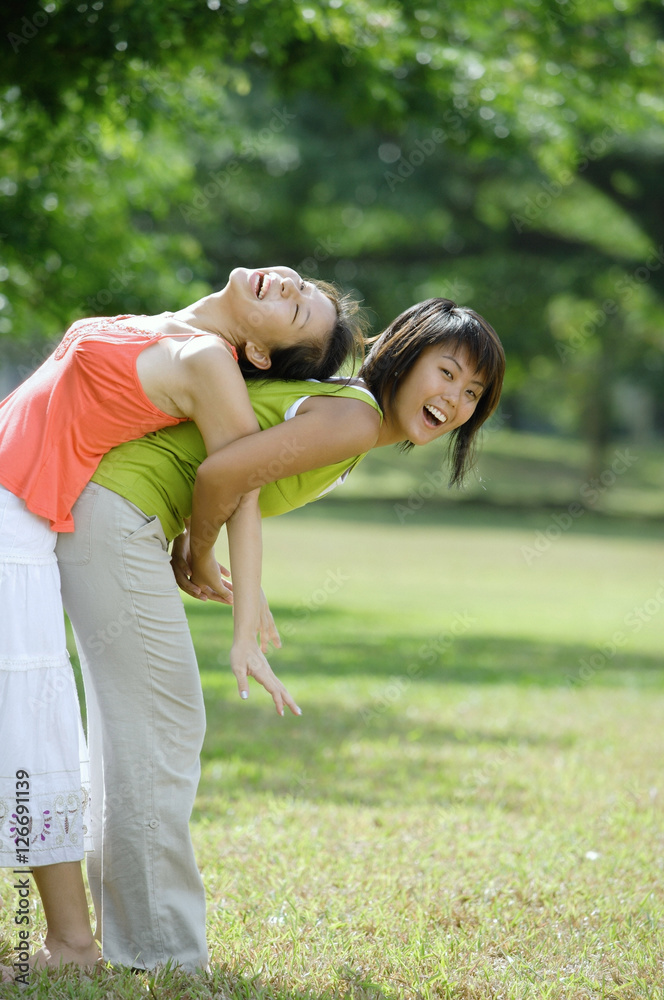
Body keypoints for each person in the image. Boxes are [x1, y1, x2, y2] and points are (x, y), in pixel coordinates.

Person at [51, 297, 505, 973]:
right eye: (446, 372)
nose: (455, 399)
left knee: (138, 734)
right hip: (115, 515)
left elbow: (238, 482)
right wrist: (199, 551)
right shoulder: (354, 418)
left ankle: (126, 943)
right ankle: (162, 953)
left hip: (113, 516)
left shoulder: (349, 416)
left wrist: (231, 592)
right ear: (404, 356)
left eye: (472, 393)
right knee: (161, 728)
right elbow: (222, 475)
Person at [0, 265, 362, 981]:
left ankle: (71, 946)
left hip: (15, 521)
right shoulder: (165, 325)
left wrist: (245, 617)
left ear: (259, 355)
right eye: (300, 285)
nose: (288, 287)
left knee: (29, 732)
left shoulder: (209, 364)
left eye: (297, 310)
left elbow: (242, 486)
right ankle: (72, 944)